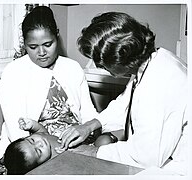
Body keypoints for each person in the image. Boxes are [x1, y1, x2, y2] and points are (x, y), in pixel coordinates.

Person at [58, 12, 188, 175]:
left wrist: (94, 152)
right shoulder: (154, 60)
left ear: (120, 58)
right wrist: (89, 125)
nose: (100, 67)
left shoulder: (159, 82)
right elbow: (124, 105)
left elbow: (146, 156)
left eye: (102, 63)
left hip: (181, 167)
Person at [0, 6, 114, 175]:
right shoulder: (13, 72)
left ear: (57, 36)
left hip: (74, 137)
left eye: (48, 44)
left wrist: (87, 134)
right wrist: (55, 152)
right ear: (24, 44)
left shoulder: (72, 68)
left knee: (107, 152)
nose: (41, 53)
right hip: (39, 148)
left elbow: (88, 113)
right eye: (32, 47)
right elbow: (17, 132)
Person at [4, 118, 112, 175]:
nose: (40, 143)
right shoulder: (52, 161)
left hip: (87, 144)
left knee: (104, 139)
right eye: (38, 151)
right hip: (89, 157)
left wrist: (32, 125)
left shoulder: (41, 137)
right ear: (40, 165)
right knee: (105, 144)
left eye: (32, 140)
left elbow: (42, 131)